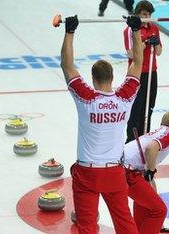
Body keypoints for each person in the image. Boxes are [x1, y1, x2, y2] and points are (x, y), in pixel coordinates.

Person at [60, 14, 143, 233]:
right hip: (114, 172)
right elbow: (139, 63)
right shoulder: (124, 98)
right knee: (125, 223)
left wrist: (69, 33)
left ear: (93, 79)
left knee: (87, 227)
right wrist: (136, 30)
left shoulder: (86, 98)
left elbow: (67, 66)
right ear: (113, 78)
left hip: (87, 173)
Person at [123, 110, 169, 234]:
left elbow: (149, 179)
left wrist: (149, 172)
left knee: (144, 204)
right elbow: (151, 148)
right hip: (127, 171)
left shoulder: (155, 133)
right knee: (160, 210)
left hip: (122, 166)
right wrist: (150, 170)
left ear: (161, 123)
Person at [124, 0, 162, 142]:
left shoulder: (154, 28)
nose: (147, 17)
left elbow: (159, 52)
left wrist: (156, 42)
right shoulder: (130, 30)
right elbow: (132, 54)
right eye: (144, 14)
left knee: (149, 107)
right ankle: (131, 141)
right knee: (136, 109)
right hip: (136, 74)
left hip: (152, 72)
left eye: (149, 14)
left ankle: (145, 138)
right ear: (138, 14)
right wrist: (146, 43)